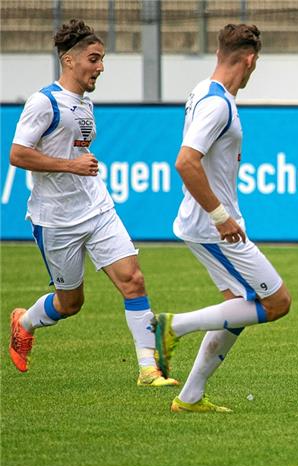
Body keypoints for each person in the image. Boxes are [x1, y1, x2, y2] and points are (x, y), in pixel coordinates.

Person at [7, 19, 177, 387]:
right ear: (69, 60)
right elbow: (18, 154)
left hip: (97, 208)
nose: (100, 67)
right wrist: (71, 165)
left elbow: (74, 148)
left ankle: (149, 369)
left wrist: (78, 161)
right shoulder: (44, 102)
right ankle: (24, 322)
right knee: (70, 303)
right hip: (56, 220)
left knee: (133, 280)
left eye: (102, 60)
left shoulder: (85, 103)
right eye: (94, 59)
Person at [152, 24, 291, 413]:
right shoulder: (218, 105)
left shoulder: (204, 91)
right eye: (255, 63)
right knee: (277, 302)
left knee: (238, 307)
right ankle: (171, 327)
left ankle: (191, 396)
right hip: (212, 227)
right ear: (249, 59)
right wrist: (220, 216)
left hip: (207, 224)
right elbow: (185, 161)